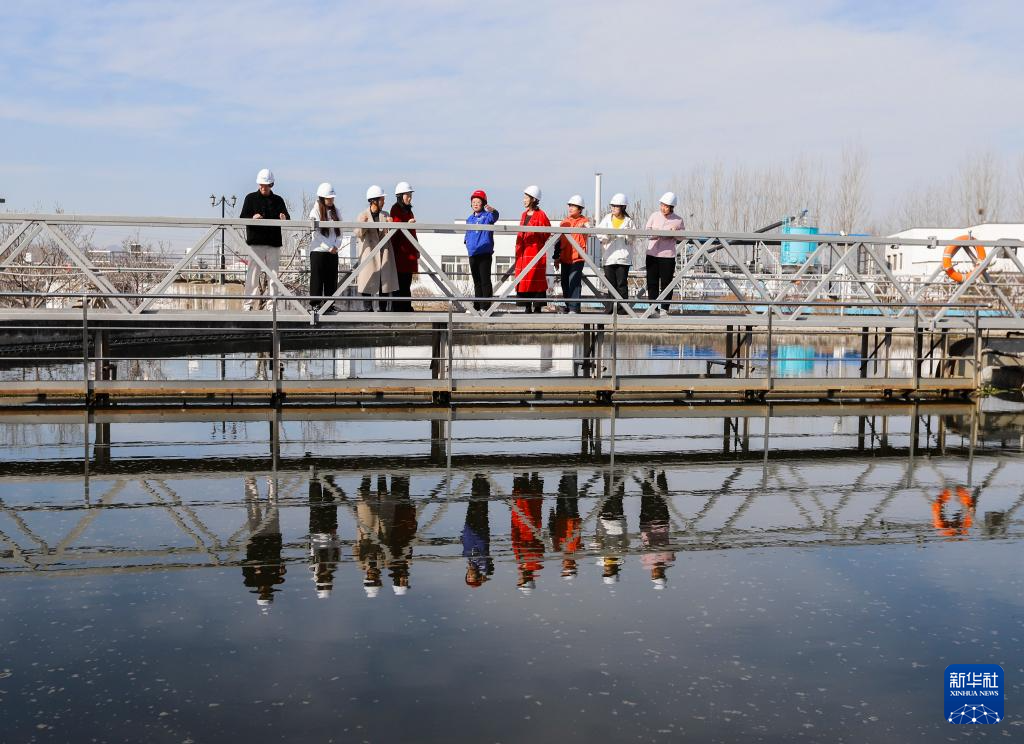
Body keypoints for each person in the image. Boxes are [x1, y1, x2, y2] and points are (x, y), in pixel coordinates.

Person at [239, 168, 290, 311]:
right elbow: (242, 217)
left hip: (273, 243)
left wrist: (284, 218)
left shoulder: (278, 200)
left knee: (273, 275)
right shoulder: (250, 198)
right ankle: (248, 304)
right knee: (252, 274)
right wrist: (252, 218)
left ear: (271, 185)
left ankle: (272, 305)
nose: (263, 187)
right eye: (261, 184)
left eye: (266, 185)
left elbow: (287, 217)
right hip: (256, 242)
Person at [354, 185, 398, 311]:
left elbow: (391, 234)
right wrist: (363, 224)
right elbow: (358, 233)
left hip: (384, 253)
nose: (384, 202)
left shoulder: (386, 215)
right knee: (367, 280)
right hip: (369, 254)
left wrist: (391, 225)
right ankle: (367, 309)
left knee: (384, 282)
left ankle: (382, 309)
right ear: (374, 201)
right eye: (382, 199)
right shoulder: (363, 215)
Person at [596, 193, 638, 314]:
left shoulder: (629, 222)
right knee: (610, 285)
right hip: (609, 257)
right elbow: (599, 234)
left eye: (616, 206)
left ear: (623, 207)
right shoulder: (607, 218)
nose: (613, 208)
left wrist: (627, 234)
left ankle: (622, 310)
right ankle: (610, 308)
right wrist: (609, 235)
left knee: (621, 284)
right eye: (612, 206)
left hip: (623, 258)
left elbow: (633, 238)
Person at [644, 191, 685, 316]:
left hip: (667, 256)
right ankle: (653, 308)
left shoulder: (678, 220)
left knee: (667, 282)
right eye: (662, 205)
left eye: (666, 206)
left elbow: (682, 237)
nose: (663, 208)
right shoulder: (654, 216)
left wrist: (675, 232)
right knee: (652, 282)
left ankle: (664, 308)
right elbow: (646, 232)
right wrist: (655, 232)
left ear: (672, 207)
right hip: (652, 253)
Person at [514, 185, 551, 313]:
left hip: (535, 251)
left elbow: (547, 231)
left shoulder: (541, 215)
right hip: (523, 252)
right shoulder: (523, 215)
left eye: (526, 197)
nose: (524, 200)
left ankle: (537, 305)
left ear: (533, 199)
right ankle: (527, 305)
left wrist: (537, 240)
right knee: (524, 277)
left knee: (536, 277)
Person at [308, 182, 343, 313]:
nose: (331, 200)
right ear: (322, 198)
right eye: (329, 198)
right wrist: (328, 247)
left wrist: (336, 245)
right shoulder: (315, 211)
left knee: (331, 279)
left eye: (332, 197)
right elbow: (315, 233)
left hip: (333, 251)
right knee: (317, 279)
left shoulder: (336, 211)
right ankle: (315, 304)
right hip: (318, 251)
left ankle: (329, 304)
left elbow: (341, 230)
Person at [465, 190, 499, 312]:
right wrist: (467, 243)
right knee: (476, 281)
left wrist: (493, 210)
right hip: (473, 253)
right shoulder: (469, 219)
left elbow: (495, 216)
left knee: (485, 280)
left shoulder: (487, 216)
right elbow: (467, 233)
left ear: (483, 203)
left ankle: (485, 306)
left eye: (478, 202)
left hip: (484, 252)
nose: (475, 204)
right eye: (473, 202)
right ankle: (477, 306)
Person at [555, 195, 590, 313]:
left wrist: (584, 227)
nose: (570, 208)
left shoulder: (584, 221)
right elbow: (558, 241)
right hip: (565, 257)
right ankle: (570, 306)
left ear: (580, 209)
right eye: (569, 205)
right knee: (565, 283)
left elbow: (590, 228)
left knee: (573, 281)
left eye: (573, 206)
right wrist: (556, 257)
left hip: (577, 258)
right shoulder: (564, 222)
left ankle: (574, 308)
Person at [511, 472, 545, 593]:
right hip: (524, 525)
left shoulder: (533, 561)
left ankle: (532, 474)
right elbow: (516, 541)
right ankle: (522, 474)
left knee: (531, 497)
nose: (518, 578)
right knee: (523, 498)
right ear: (525, 579)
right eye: (520, 581)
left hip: (529, 523)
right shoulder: (528, 560)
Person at [389, 182, 420, 312]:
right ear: (400, 196)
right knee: (399, 282)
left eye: (410, 195)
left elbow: (413, 232)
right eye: (407, 195)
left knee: (407, 281)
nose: (410, 198)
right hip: (400, 252)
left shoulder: (409, 210)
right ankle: (398, 308)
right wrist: (407, 223)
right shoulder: (395, 209)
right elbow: (395, 229)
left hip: (409, 252)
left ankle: (406, 306)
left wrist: (416, 247)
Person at [462, 474, 494, 588]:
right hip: (480, 531)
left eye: (468, 576)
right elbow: (490, 569)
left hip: (468, 530)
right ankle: (484, 480)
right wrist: (483, 577)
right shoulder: (482, 564)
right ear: (477, 575)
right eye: (472, 577)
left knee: (472, 502)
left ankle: (476, 480)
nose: (470, 574)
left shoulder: (468, 560)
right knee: (481, 504)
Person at [549, 470, 582, 580]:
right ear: (572, 565)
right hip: (571, 517)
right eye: (566, 567)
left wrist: (551, 518)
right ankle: (570, 470)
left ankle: (567, 471)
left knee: (562, 491)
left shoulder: (558, 549)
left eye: (564, 567)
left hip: (560, 519)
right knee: (570, 492)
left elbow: (552, 533)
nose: (564, 564)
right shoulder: (577, 550)